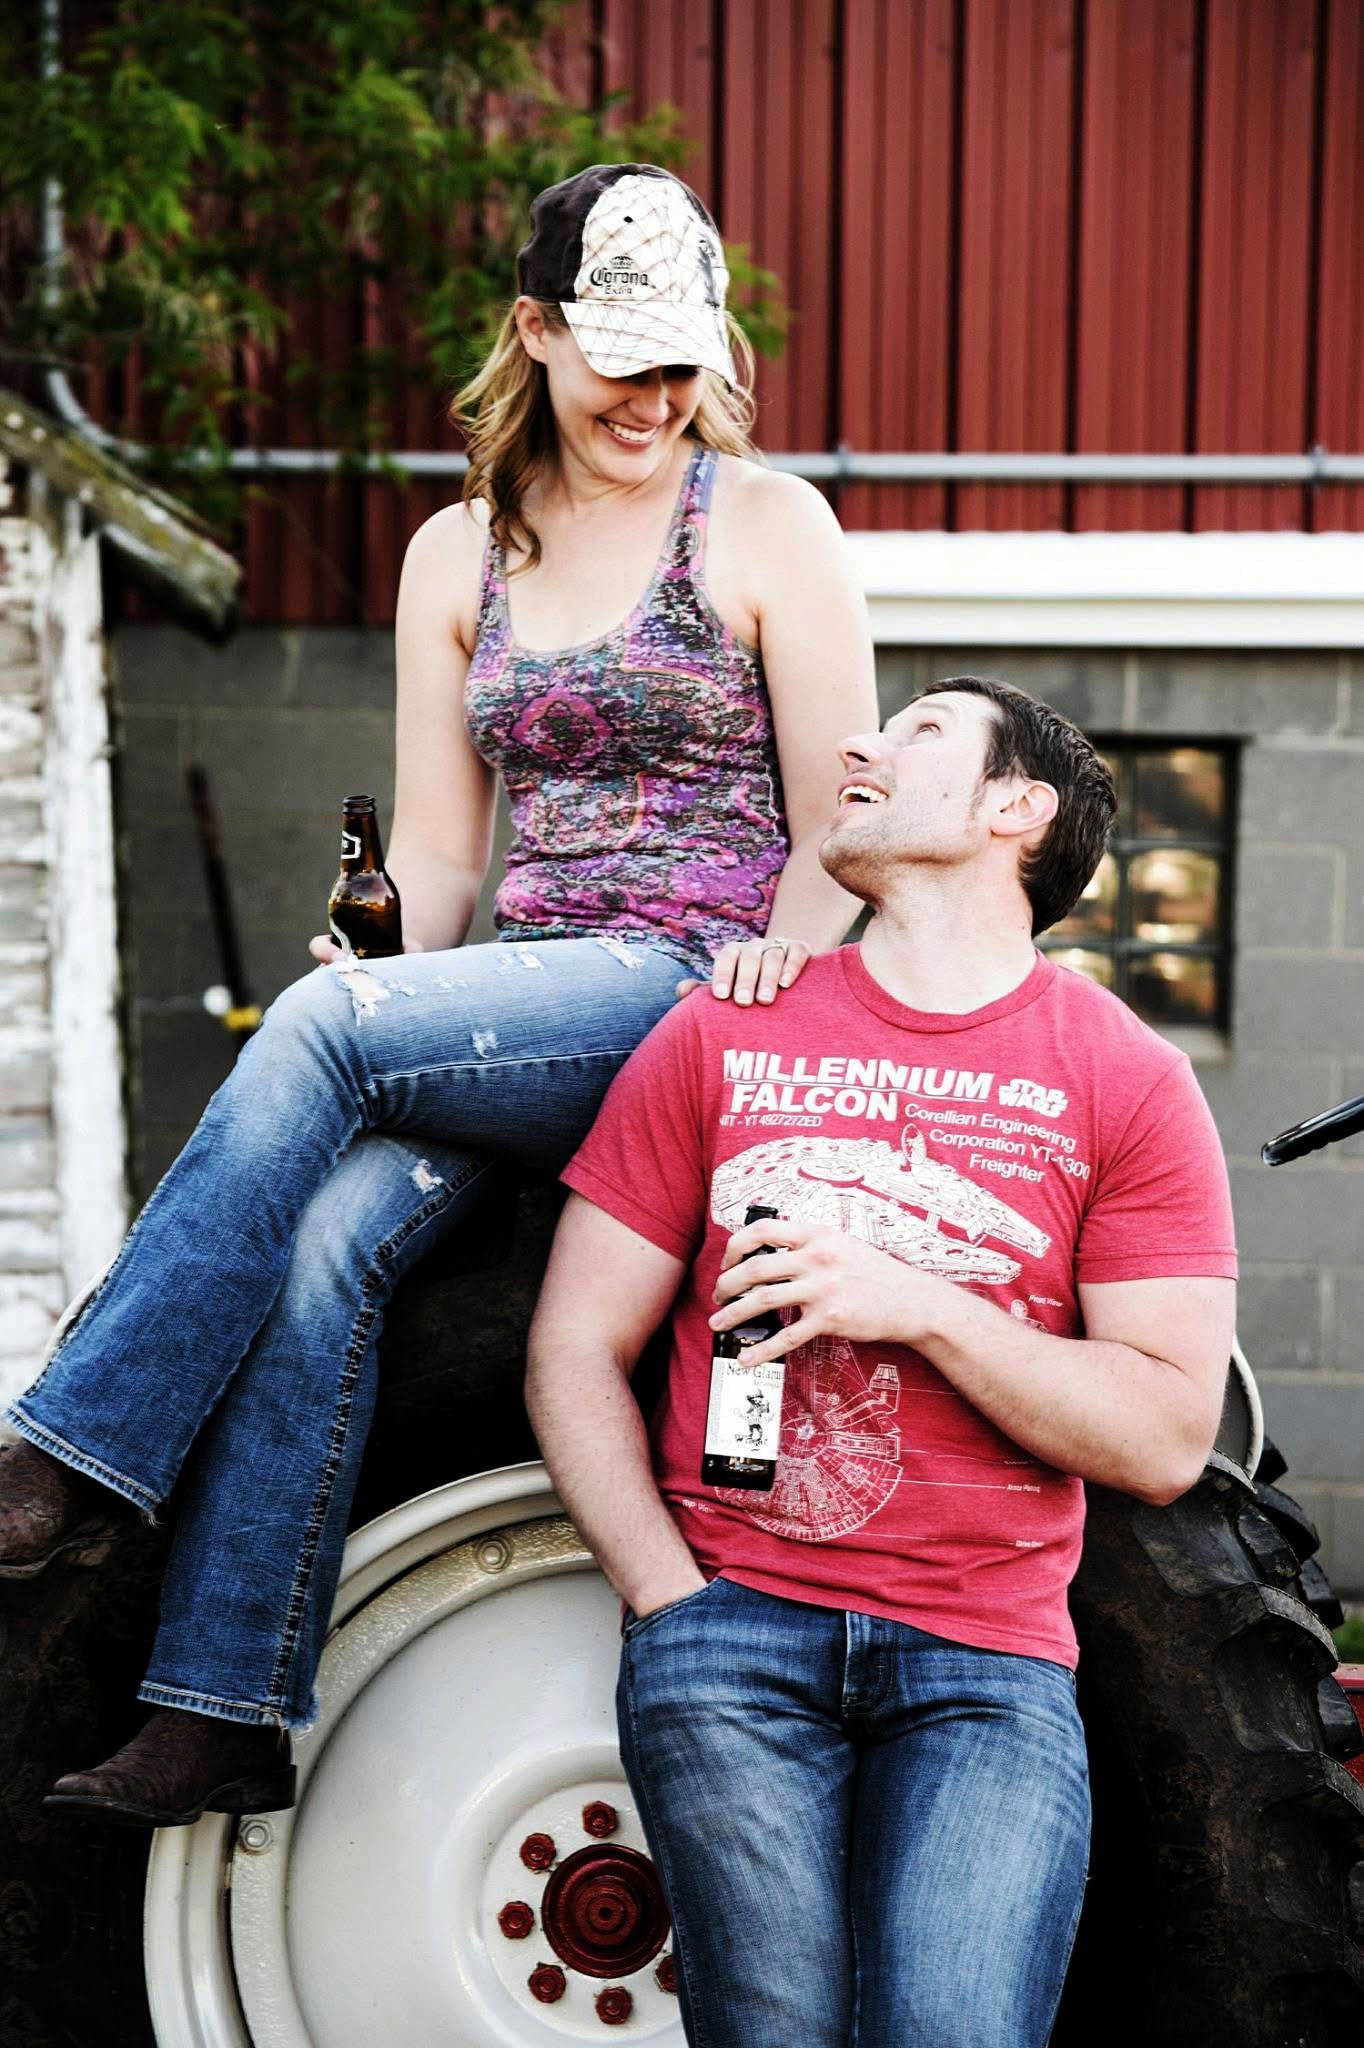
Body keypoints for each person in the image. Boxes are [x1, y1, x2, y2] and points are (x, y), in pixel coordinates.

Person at [0, 161, 875, 1826]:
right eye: (622, 359)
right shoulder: (457, 551)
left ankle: (68, 1449)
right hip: (518, 997)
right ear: (535, 332)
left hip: (694, 988)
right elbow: (444, 852)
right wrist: (393, 971)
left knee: (321, 1036)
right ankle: (225, 1703)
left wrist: (798, 935)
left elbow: (846, 808)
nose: (659, 397)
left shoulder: (765, 525)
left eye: (685, 361)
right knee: (328, 1233)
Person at [526, 677, 1238, 2048]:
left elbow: (1161, 1435)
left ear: (1012, 811)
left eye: (918, 732)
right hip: (729, 1635)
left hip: (987, 1666)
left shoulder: (1128, 1077)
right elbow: (572, 1344)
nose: (861, 744)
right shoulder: (727, 1025)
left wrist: (922, 1304)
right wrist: (669, 1601)